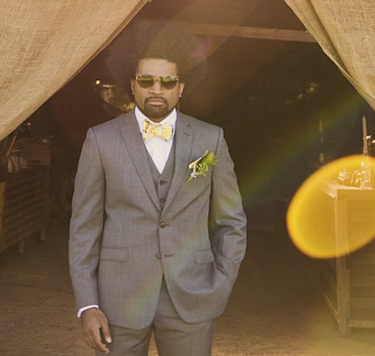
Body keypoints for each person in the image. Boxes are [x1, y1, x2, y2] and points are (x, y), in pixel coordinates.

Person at [69, 55, 247, 356]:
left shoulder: (210, 139)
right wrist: (88, 303)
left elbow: (231, 222)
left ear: (180, 88)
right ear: (132, 85)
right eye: (146, 80)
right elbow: (84, 229)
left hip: (192, 293)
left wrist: (221, 280)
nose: (156, 89)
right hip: (119, 297)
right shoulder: (100, 140)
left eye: (167, 82)